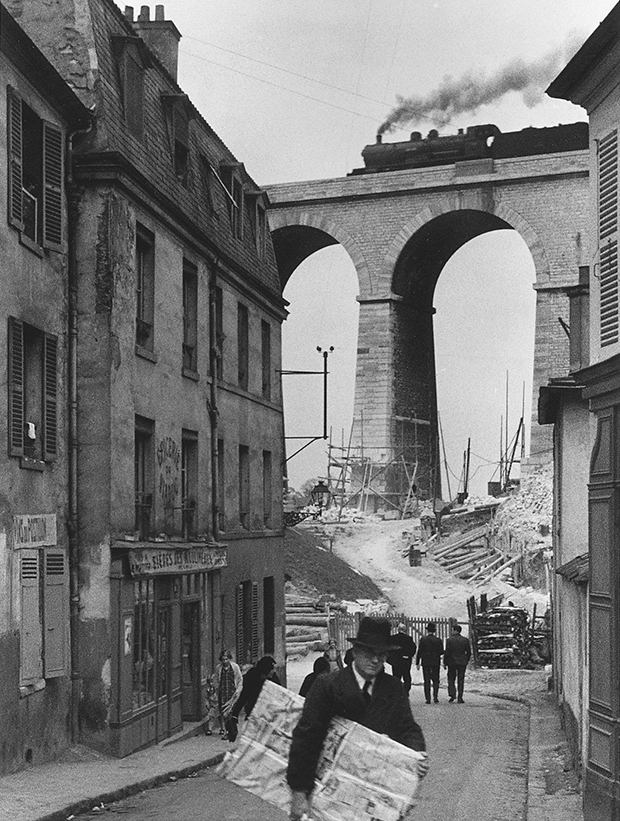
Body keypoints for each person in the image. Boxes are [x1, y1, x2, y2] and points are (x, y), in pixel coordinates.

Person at [287, 616, 428, 821]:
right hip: (329, 796)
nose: (376, 660)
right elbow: (307, 738)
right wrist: (299, 792)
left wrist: (417, 753)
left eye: (382, 654)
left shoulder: (394, 688)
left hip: (375, 797)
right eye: (370, 653)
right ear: (355, 652)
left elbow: (408, 728)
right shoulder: (328, 686)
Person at [229, 655, 281, 740]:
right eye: (272, 669)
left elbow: (280, 694)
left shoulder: (274, 679)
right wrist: (235, 714)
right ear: (266, 669)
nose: (273, 671)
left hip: (268, 715)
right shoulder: (252, 676)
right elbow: (243, 695)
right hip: (253, 713)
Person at [216, 650, 243, 739]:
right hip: (223, 692)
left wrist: (239, 690)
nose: (225, 661)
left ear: (229, 659)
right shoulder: (219, 668)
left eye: (226, 659)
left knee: (230, 712)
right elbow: (217, 680)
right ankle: (230, 731)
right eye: (223, 660)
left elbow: (239, 679)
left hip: (232, 692)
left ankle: (231, 731)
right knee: (224, 713)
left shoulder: (235, 667)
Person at [416, 621, 444, 704]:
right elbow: (441, 651)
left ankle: (428, 698)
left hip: (426, 662)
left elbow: (419, 651)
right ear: (434, 631)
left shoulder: (423, 639)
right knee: (436, 680)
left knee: (426, 680)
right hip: (435, 662)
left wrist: (417, 662)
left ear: (427, 630)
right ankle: (435, 697)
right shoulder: (438, 640)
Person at [443, 624, 472, 704]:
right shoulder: (465, 640)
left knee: (451, 679)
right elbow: (469, 652)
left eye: (452, 630)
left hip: (452, 662)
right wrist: (466, 660)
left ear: (455, 630)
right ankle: (460, 697)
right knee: (461, 679)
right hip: (462, 662)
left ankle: (452, 694)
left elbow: (447, 653)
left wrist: (445, 662)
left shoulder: (449, 640)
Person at [387, 622, 417, 695]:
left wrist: (391, 659)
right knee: (406, 676)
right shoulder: (408, 639)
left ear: (398, 629)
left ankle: (397, 691)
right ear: (405, 630)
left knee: (396, 677)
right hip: (406, 661)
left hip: (396, 661)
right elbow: (413, 648)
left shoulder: (393, 638)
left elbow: (388, 649)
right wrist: (409, 655)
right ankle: (406, 691)